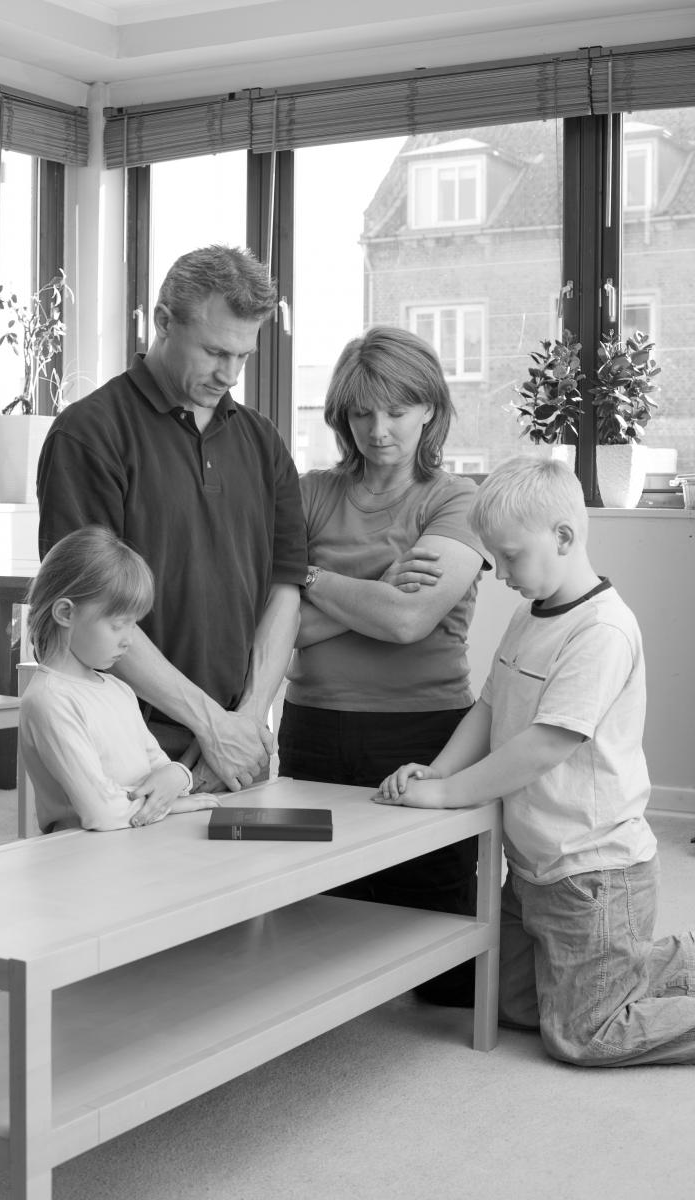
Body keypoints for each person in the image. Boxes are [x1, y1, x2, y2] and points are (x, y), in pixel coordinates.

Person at [376, 455, 695, 1065]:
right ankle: (632, 963)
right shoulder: (530, 615)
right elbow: (491, 705)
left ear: (565, 537)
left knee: (583, 1035)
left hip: (594, 874)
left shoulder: (601, 630)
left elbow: (547, 743)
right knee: (514, 1003)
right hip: (534, 870)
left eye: (511, 556)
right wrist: (439, 771)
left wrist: (451, 796)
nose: (499, 572)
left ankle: (625, 966)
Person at [37, 245, 307, 795]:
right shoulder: (89, 435)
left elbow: (285, 590)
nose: (229, 373)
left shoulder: (263, 442)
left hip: (240, 746)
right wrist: (211, 724)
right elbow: (89, 609)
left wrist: (245, 722)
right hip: (122, 743)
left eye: (243, 356)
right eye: (213, 351)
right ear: (163, 321)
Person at [278, 325, 490, 1007]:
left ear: (429, 408)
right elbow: (280, 635)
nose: (379, 430)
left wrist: (316, 580)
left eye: (397, 411)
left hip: (422, 733)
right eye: (362, 412)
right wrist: (381, 576)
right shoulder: (309, 493)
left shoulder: (455, 501)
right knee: (315, 946)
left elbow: (409, 621)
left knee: (445, 977)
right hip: (313, 731)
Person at [20, 525, 220, 833]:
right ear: (65, 612)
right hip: (79, 860)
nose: (129, 640)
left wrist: (178, 775)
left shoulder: (118, 689)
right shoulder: (50, 699)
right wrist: (171, 804)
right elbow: (101, 813)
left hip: (132, 845)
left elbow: (159, 768)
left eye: (133, 625)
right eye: (118, 625)